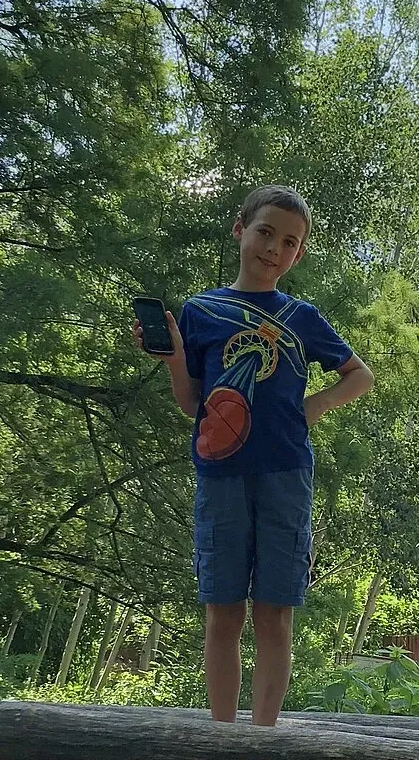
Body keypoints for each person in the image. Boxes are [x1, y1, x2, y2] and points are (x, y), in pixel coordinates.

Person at [135, 185, 373, 724]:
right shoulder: (202, 312)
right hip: (219, 475)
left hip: (287, 475)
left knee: (275, 617)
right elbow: (193, 404)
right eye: (265, 232)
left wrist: (313, 408)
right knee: (222, 615)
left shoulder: (301, 316)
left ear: (299, 254)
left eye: (290, 242)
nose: (274, 248)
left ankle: (261, 740)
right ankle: (223, 738)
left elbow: (360, 375)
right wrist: (173, 359)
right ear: (240, 229)